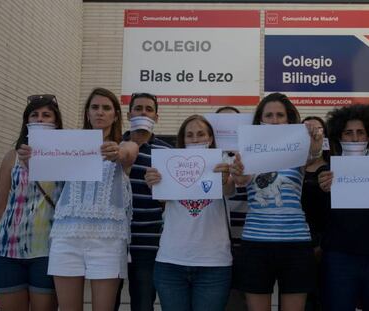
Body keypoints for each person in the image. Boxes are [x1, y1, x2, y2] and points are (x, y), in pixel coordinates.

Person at [46, 88, 139, 311]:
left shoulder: (126, 144)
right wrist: (32, 156)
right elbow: (43, 168)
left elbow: (128, 153)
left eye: (106, 108)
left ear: (115, 115)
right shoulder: (68, 146)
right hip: (66, 236)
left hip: (107, 240)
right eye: (95, 107)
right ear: (87, 113)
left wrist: (117, 152)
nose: (100, 112)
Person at [231, 93, 322, 311]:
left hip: (296, 243)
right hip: (256, 243)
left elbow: (314, 153)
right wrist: (240, 176)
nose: (274, 120)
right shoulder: (247, 150)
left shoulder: (299, 150)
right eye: (269, 115)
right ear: (260, 121)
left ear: (289, 120)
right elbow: (241, 181)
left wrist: (313, 136)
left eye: (280, 115)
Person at [145, 114, 233, 311]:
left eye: (201, 134)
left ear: (210, 138)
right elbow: (161, 199)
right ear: (182, 140)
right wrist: (154, 182)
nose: (195, 139)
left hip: (214, 263)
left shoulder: (223, 163)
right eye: (189, 135)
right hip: (170, 261)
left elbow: (229, 189)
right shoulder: (169, 165)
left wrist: (225, 178)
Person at [318, 104, 369, 311]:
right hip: (340, 259)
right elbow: (317, 217)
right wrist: (322, 191)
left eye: (360, 132)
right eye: (348, 133)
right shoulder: (327, 173)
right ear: (339, 137)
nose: (355, 139)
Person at [0, 94, 64, 311]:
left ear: (56, 123)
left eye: (46, 115)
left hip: (47, 249)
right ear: (27, 123)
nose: (40, 120)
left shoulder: (66, 157)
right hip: (8, 248)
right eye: (34, 115)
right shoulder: (11, 157)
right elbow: (0, 205)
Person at [115, 93, 171, 311]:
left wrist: (159, 189)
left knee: (143, 303)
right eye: (138, 109)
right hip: (115, 239)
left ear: (156, 117)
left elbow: (170, 203)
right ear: (129, 114)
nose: (143, 113)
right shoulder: (115, 147)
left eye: (149, 110)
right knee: (108, 302)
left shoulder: (166, 153)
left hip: (149, 242)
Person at [214, 106, 249, 311]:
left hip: (248, 243)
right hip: (216, 245)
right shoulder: (205, 158)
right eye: (221, 124)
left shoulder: (254, 154)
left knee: (241, 303)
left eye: (233, 123)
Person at [301, 116, 330, 311]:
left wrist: (322, 244)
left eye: (317, 130)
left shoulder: (333, 168)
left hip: (324, 243)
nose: (312, 134)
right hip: (297, 242)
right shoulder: (291, 169)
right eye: (306, 131)